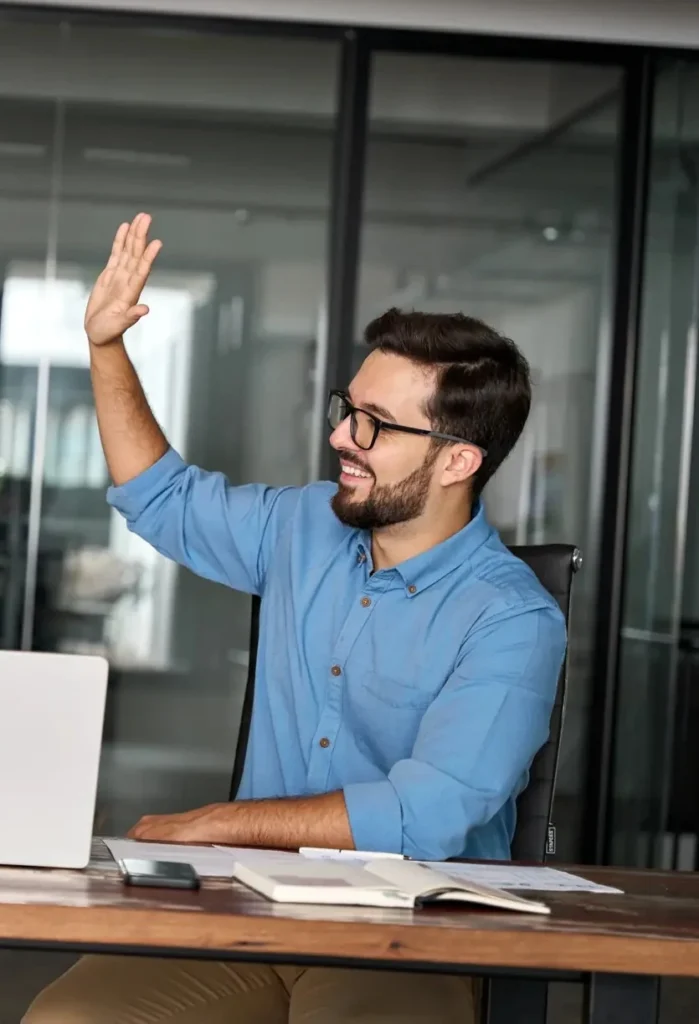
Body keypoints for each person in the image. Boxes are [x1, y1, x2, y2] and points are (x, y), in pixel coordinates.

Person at [24, 213, 566, 1024]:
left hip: (411, 936)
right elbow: (161, 498)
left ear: (457, 460)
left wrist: (218, 822)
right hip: (253, 914)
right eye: (349, 406)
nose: (339, 435)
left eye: (373, 425)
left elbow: (433, 809)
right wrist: (107, 348)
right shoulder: (305, 524)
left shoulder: (510, 618)